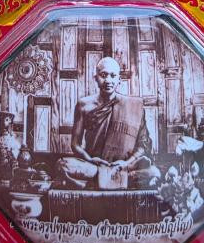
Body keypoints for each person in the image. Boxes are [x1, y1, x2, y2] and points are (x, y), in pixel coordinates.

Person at [57, 57, 160, 189]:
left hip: (123, 166)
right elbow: (75, 144)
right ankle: (117, 180)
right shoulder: (83, 105)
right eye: (103, 75)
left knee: (154, 172)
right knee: (63, 165)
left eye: (113, 76)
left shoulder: (135, 106)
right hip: (94, 165)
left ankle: (98, 182)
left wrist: (126, 163)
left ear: (119, 79)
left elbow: (142, 146)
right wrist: (90, 159)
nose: (108, 80)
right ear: (96, 78)